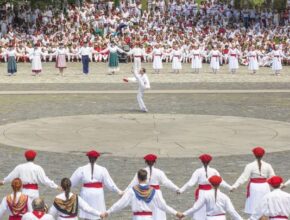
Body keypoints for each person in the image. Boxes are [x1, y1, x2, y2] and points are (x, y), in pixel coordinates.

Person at [100, 169, 184, 219]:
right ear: (146, 178)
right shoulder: (153, 191)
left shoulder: (132, 191)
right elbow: (163, 206)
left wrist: (108, 212)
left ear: (138, 178)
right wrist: (176, 213)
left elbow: (120, 204)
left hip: (137, 217)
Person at [70, 150, 123, 220]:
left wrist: (64, 187)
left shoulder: (81, 169)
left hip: (86, 192)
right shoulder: (102, 169)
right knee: (99, 213)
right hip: (98, 193)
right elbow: (109, 183)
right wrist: (118, 190)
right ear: (96, 158)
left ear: (88, 158)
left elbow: (72, 181)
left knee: (87, 212)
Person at [178, 154, 232, 220]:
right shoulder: (214, 171)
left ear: (201, 161)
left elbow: (190, 183)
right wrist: (230, 187)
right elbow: (221, 181)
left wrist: (181, 190)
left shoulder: (198, 171)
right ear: (210, 162)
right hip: (212, 191)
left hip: (202, 192)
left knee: (199, 208)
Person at [125, 154, 180, 220]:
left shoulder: (141, 171)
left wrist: (124, 191)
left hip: (144, 193)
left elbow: (133, 182)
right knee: (159, 210)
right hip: (156, 193)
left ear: (146, 162)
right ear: (155, 162)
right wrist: (176, 189)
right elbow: (166, 182)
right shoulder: (159, 172)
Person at [231, 147, 275, 215]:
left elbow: (243, 177)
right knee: (265, 205)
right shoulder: (268, 165)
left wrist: (235, 186)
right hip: (265, 186)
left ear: (254, 155)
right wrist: (280, 185)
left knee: (254, 205)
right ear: (263, 155)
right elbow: (273, 177)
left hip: (254, 187)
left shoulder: (250, 166)